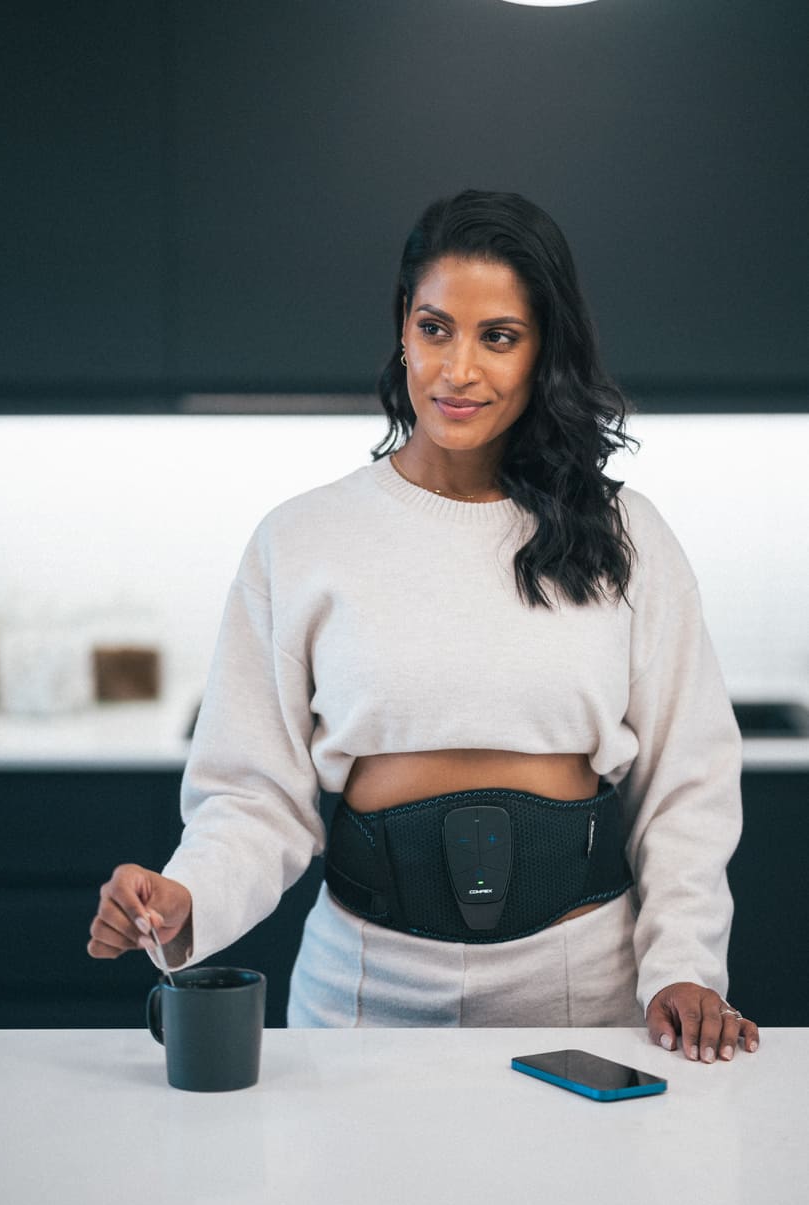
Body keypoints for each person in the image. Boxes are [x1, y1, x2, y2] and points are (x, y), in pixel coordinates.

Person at [88, 189, 759, 1062]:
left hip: (581, 993)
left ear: (544, 349)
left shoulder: (625, 535)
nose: (458, 370)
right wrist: (183, 899)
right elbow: (255, 797)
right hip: (364, 993)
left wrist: (684, 965)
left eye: (500, 337)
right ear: (403, 326)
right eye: (436, 327)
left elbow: (688, 783)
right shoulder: (302, 539)